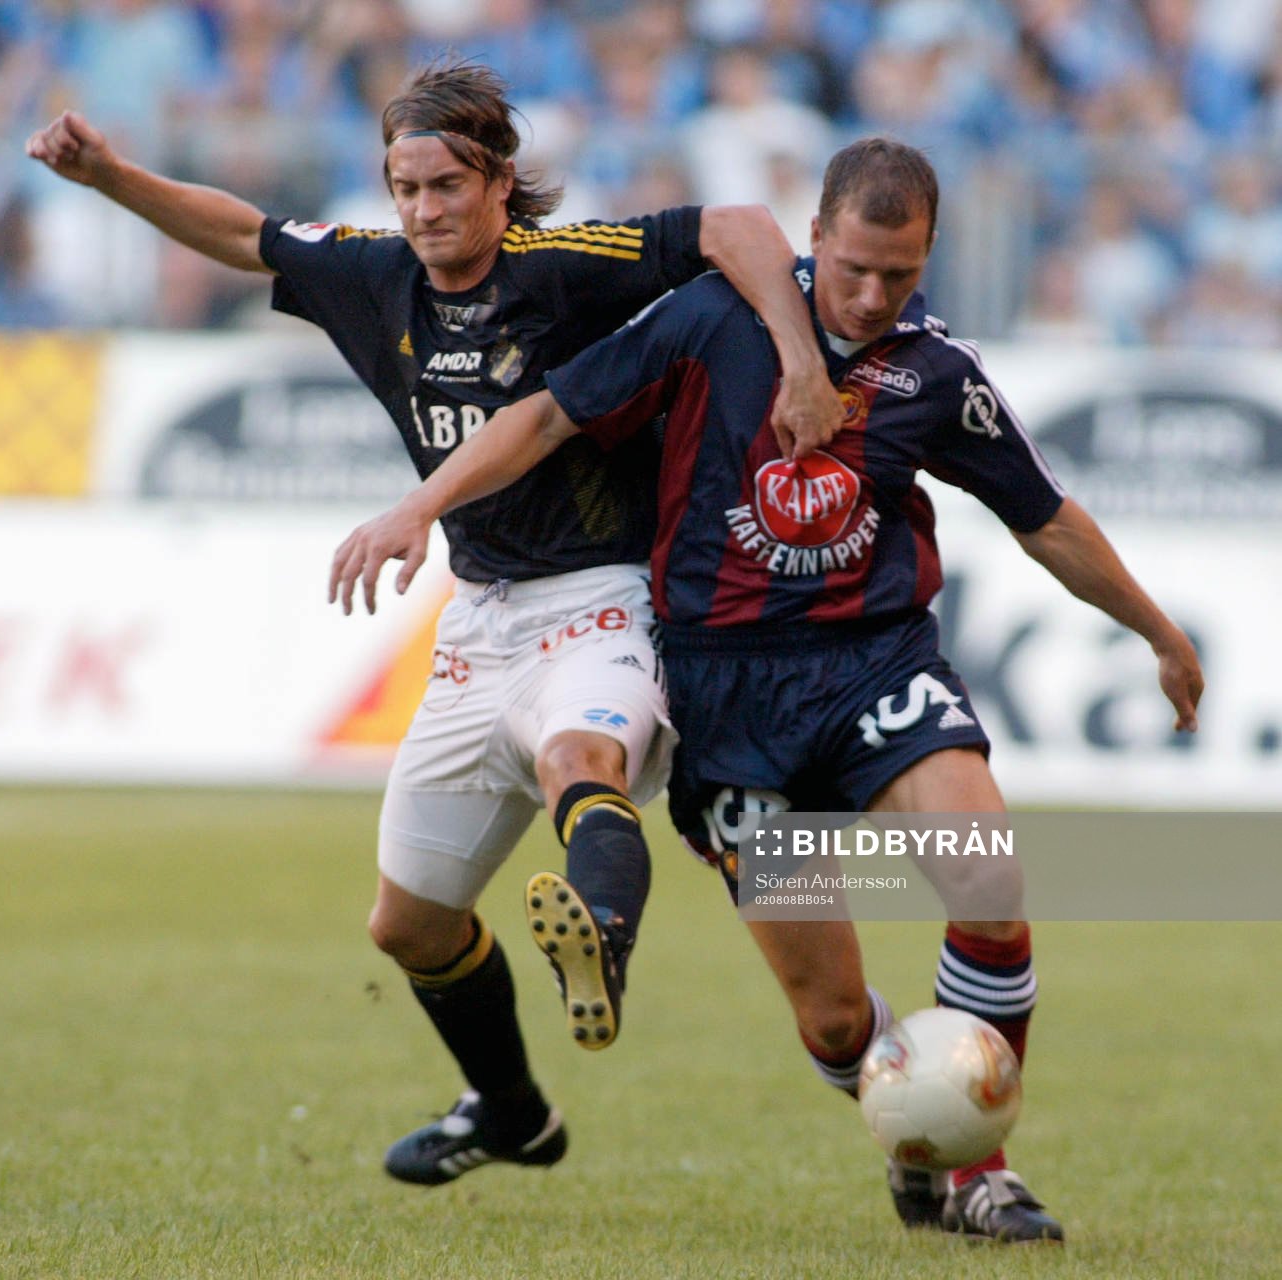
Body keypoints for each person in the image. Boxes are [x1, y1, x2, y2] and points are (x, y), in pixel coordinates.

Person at [329, 136, 1204, 1242]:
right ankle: (909, 1121)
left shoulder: (935, 371)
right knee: (835, 1020)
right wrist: (420, 507)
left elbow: (1044, 519)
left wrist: (1157, 633)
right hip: (726, 700)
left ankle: (978, 1165)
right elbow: (545, 415)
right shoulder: (707, 322)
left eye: (901, 272)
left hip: (872, 663)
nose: (876, 294)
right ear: (814, 240)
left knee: (983, 875)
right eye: (853, 269)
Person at [26, 60, 841, 1187]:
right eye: (404, 187)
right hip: (480, 623)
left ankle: (597, 934)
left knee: (579, 754)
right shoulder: (374, 277)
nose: (423, 209)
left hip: (605, 596)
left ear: (499, 180)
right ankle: (510, 1113)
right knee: (406, 925)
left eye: (445, 185)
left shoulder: (559, 268)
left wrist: (802, 363)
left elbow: (740, 226)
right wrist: (109, 173)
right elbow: (244, 234)